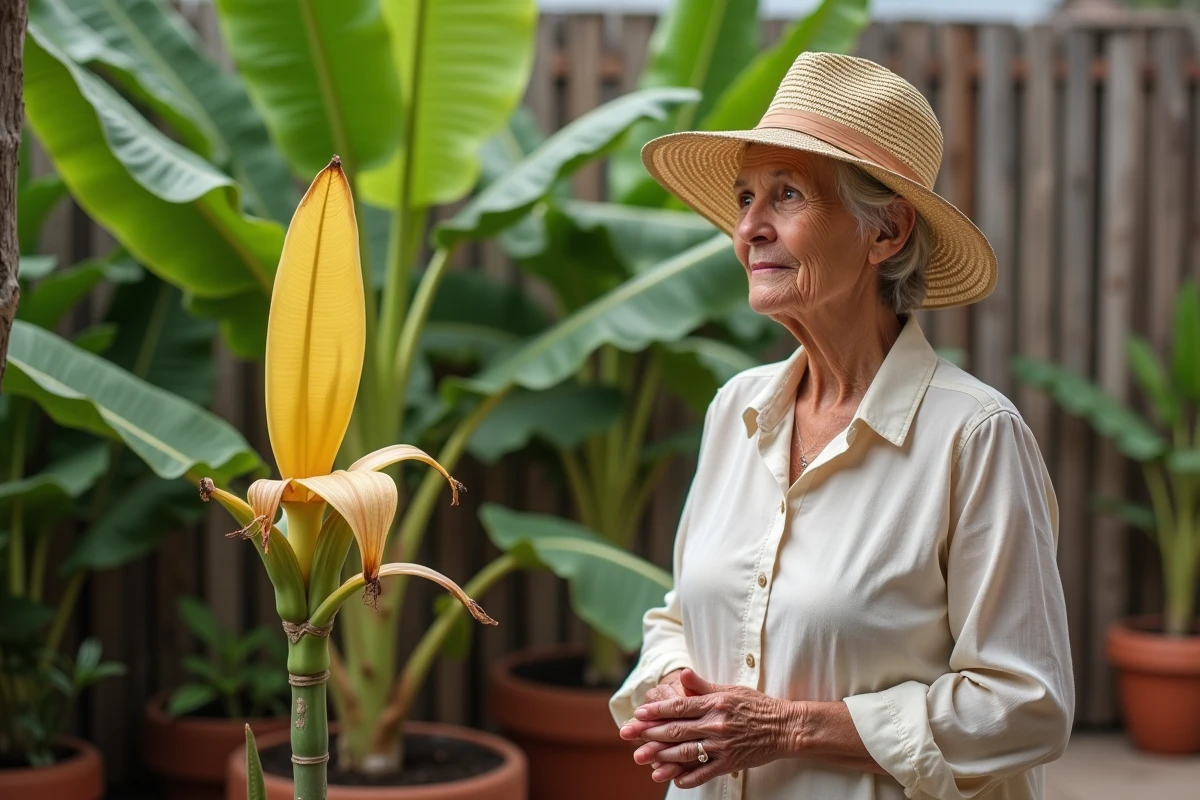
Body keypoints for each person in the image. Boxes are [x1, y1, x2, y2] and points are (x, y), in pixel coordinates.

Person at [609, 52, 1074, 800]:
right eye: (745, 198)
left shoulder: (975, 436)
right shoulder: (737, 409)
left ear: (885, 231)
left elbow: (1026, 707)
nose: (749, 228)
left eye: (786, 195)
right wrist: (673, 685)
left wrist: (788, 728)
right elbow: (679, 617)